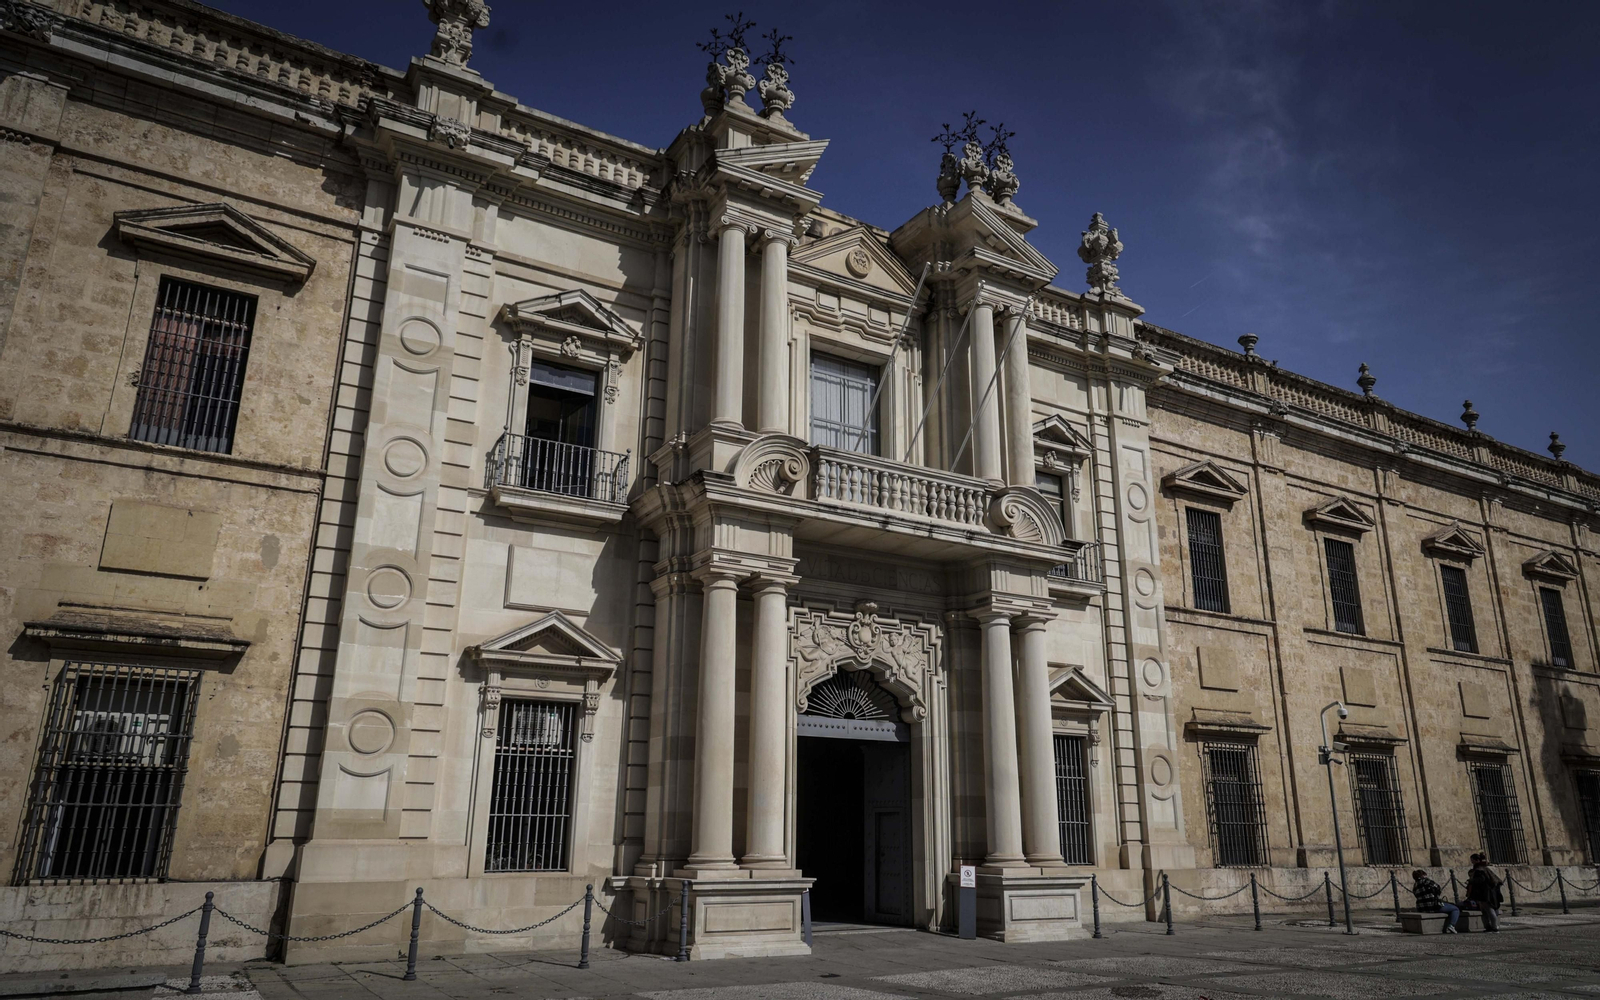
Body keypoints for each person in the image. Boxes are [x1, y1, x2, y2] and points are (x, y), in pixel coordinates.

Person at [1464, 853, 1503, 932]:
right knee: (1487, 910)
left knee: (1489, 909)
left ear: (1476, 860)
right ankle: (1489, 927)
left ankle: (1494, 927)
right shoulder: (1484, 868)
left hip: (1485, 893)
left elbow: (1481, 880)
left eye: (1472, 860)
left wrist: (1471, 881)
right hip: (1489, 892)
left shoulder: (1479, 870)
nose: (1471, 862)